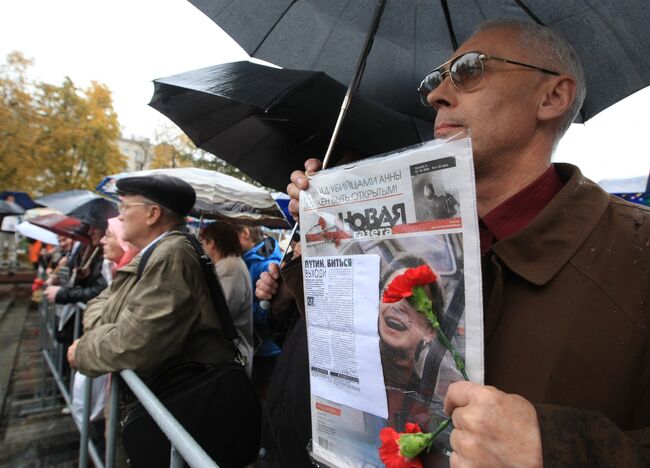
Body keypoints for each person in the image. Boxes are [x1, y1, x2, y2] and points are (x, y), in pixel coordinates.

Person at [271, 19, 649, 467]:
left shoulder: (636, 257)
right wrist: (320, 232)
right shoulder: (409, 236)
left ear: (552, 96)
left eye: (470, 70)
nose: (436, 95)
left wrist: (554, 448)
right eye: (435, 80)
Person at [67, 174, 235, 466]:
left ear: (152, 213)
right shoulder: (156, 252)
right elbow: (98, 306)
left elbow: (134, 343)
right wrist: (111, 324)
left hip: (172, 401)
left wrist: (83, 351)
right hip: (162, 401)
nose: (119, 216)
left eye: (125, 207)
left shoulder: (171, 255)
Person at [201, 221, 254, 376]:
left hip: (230, 358)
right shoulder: (230, 264)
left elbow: (222, 313)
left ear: (212, 243)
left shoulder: (230, 267)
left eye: (204, 242)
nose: (202, 247)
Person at [236, 225, 283, 396]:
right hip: (257, 344)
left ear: (245, 233)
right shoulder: (249, 259)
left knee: (261, 394)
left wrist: (240, 310)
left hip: (266, 346)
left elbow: (272, 311)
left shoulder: (265, 264)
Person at [0, 195, 20, 275]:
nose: (11, 201)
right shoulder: (1, 208)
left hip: (12, 232)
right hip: (2, 231)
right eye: (10, 199)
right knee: (0, 249)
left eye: (12, 200)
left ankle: (11, 266)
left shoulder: (16, 209)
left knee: (12, 249)